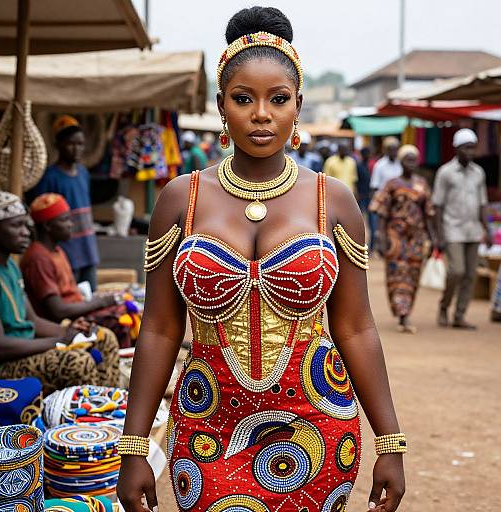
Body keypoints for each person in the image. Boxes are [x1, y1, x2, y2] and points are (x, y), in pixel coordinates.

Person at [117, 7, 405, 512]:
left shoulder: (331, 200)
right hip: (207, 425)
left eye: (278, 99)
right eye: (243, 98)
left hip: (317, 426)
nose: (261, 114)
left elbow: (356, 327)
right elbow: (161, 328)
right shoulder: (179, 199)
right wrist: (134, 446)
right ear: (222, 107)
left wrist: (390, 441)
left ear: (298, 105)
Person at [0, 192, 119, 395]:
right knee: (77, 362)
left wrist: (70, 332)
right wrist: (57, 341)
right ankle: (85, 415)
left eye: (26, 226)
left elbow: (33, 321)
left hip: (27, 349)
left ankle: (108, 407)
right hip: (1, 365)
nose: (25, 233)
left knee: (104, 338)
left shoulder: (10, 268)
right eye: (17, 226)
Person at [20, 193, 132, 348]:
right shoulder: (38, 258)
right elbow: (58, 310)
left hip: (76, 312)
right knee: (121, 318)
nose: (71, 224)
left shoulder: (56, 250)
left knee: (129, 307)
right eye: (65, 219)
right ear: (47, 225)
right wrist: (101, 301)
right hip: (63, 322)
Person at [30, 115, 100, 291]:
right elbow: (41, 215)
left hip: (87, 248)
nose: (77, 149)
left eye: (80, 144)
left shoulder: (83, 172)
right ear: (59, 145)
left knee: (89, 295)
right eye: (71, 144)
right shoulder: (50, 177)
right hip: (66, 250)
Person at [371, 145, 436, 333]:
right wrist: (380, 236)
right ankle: (402, 313)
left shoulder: (422, 184)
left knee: (413, 275)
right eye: (407, 159)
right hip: (395, 238)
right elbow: (381, 211)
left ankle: (406, 310)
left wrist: (432, 239)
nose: (411, 163)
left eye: (414, 159)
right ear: (401, 162)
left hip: (416, 238)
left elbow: (428, 213)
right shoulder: (393, 184)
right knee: (397, 275)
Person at [433, 128, 492, 329]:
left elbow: (482, 203)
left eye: (472, 148)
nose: (470, 152)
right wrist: (439, 235)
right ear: (457, 149)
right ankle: (444, 306)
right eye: (466, 148)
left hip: (473, 230)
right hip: (453, 229)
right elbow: (438, 205)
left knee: (470, 275)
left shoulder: (478, 173)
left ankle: (459, 315)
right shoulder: (445, 172)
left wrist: (488, 229)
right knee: (456, 271)